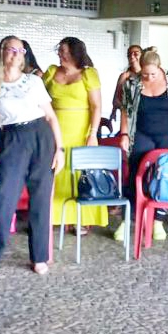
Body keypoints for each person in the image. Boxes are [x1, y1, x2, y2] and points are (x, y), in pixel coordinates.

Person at [0, 36, 63, 277]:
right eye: (11, 49)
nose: (15, 54)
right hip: (12, 138)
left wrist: (60, 149)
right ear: (2, 53)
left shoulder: (34, 81)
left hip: (41, 136)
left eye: (20, 50)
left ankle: (39, 257)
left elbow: (51, 117)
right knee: (3, 199)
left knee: (41, 199)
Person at [117, 49, 168, 242]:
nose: (149, 78)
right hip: (141, 132)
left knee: (166, 175)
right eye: (145, 74)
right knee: (136, 175)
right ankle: (127, 220)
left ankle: (158, 220)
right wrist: (124, 134)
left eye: (153, 74)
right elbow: (125, 110)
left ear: (160, 68)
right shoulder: (131, 83)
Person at [43, 37, 104, 234]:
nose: (60, 55)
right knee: (53, 171)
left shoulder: (88, 74)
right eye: (60, 51)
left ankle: (80, 219)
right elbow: (39, 99)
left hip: (81, 131)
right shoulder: (51, 72)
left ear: (75, 53)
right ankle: (51, 216)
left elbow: (96, 106)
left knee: (79, 173)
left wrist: (93, 134)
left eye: (65, 52)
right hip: (54, 129)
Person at [109, 45, 143, 125]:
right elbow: (116, 99)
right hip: (128, 118)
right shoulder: (124, 76)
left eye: (136, 54)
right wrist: (115, 111)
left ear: (142, 55)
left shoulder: (148, 74)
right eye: (129, 54)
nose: (132, 56)